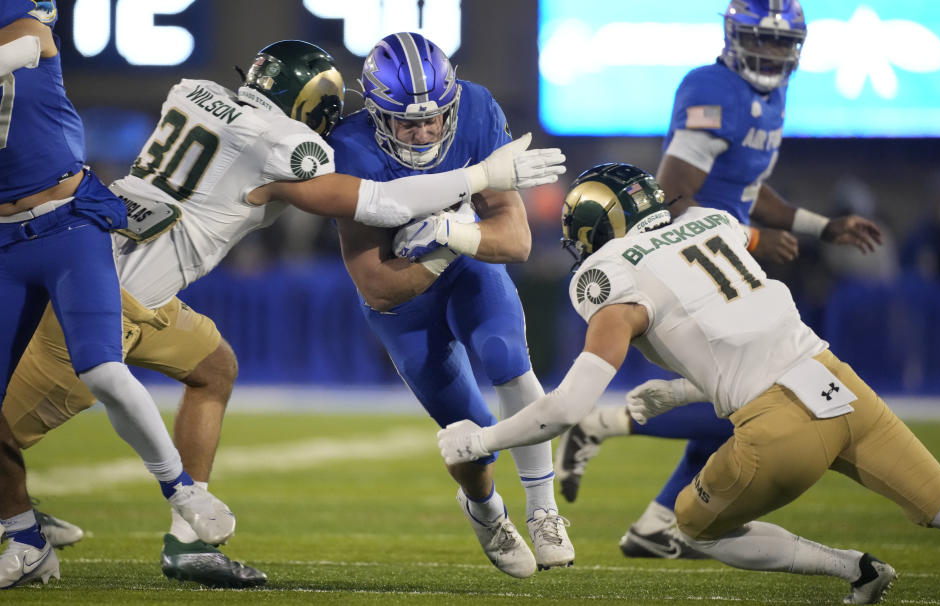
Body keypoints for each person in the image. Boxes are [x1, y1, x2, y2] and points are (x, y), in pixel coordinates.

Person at [1, 38, 565, 588]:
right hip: (111, 302)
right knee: (6, 434)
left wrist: (454, 224)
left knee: (213, 368)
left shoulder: (191, 92)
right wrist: (479, 181)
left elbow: (506, 239)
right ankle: (20, 526)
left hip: (117, 271)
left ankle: (187, 543)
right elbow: (379, 208)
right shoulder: (293, 147)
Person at [439, 163, 940, 604]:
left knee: (691, 527)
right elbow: (737, 325)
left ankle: (856, 570)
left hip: (778, 428)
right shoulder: (714, 221)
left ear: (596, 231)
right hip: (839, 384)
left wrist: (479, 440)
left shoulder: (607, 272)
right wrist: (689, 388)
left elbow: (567, 407)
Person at [552, 0, 884, 560]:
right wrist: (749, 238)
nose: (775, 52)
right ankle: (603, 424)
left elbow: (751, 187)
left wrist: (822, 227)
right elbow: (673, 197)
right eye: (764, 40)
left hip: (727, 252)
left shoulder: (770, 96)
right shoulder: (711, 88)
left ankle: (656, 523)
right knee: (755, 396)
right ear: (734, 36)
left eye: (783, 43)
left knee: (744, 404)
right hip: (701, 262)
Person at [0, 0, 236, 588]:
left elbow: (28, 44)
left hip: (70, 224)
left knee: (103, 369)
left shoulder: (24, 26)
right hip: (4, 243)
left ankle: (181, 491)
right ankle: (25, 536)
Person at [327, 32, 575, 578]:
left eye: (433, 118)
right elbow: (377, 285)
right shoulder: (349, 148)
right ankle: (486, 512)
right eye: (407, 122)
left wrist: (447, 233)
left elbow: (515, 241)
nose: (422, 131)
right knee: (469, 438)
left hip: (469, 267)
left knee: (506, 353)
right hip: (402, 305)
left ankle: (544, 510)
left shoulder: (478, 109)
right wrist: (447, 239)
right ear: (376, 115)